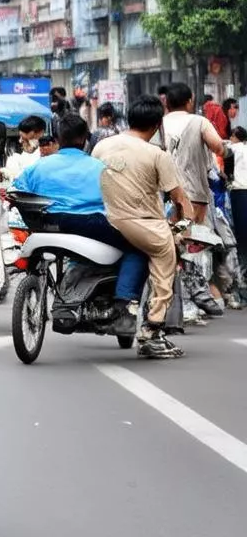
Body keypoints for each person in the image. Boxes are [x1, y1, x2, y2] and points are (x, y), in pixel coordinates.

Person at [13, 113, 149, 336]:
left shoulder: (38, 167)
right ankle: (124, 306)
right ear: (86, 138)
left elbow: (16, 190)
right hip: (91, 225)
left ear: (58, 138)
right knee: (138, 246)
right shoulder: (100, 168)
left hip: (47, 223)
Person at [94, 96, 192, 359]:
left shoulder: (102, 145)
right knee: (165, 257)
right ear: (158, 125)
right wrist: (182, 227)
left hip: (103, 220)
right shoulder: (157, 155)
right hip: (143, 224)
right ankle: (153, 329)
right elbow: (179, 199)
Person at [163, 83, 225, 223]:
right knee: (194, 236)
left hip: (164, 196)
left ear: (167, 103)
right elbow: (218, 147)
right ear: (189, 101)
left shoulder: (158, 124)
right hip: (193, 194)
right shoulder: (199, 121)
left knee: (173, 234)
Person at [2, 115, 46, 181]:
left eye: (25, 139)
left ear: (40, 133)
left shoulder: (46, 154)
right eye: (21, 137)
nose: (20, 141)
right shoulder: (20, 155)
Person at [229, 126, 247, 269]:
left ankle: (242, 259)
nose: (230, 139)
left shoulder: (234, 149)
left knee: (240, 227)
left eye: (232, 136)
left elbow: (221, 145)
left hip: (239, 191)